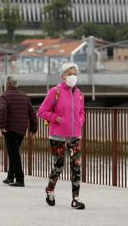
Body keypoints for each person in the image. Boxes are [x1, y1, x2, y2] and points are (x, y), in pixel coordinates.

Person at [37, 62, 86, 210]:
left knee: (76, 166)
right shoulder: (55, 91)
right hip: (57, 136)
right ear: (63, 76)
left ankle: (75, 199)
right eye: (69, 74)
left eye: (74, 74)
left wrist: (80, 121)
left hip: (75, 135)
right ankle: (50, 190)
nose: (72, 77)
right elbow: (41, 111)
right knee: (58, 165)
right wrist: (56, 118)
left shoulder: (79, 94)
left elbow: (81, 112)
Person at [0, 76, 38, 187]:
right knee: (13, 152)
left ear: (7, 85)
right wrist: (33, 129)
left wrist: (2, 125)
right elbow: (32, 114)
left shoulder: (5, 96)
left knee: (14, 154)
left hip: (10, 129)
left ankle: (20, 179)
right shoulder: (25, 97)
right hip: (21, 129)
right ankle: (10, 177)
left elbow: (2, 110)